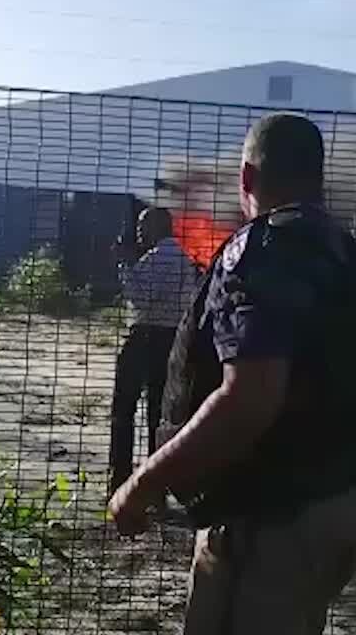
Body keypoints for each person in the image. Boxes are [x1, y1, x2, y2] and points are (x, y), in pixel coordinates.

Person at [107, 113, 356, 635]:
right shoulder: (353, 260)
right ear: (318, 176)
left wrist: (142, 483)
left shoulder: (258, 254)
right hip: (334, 505)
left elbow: (250, 398)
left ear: (247, 178)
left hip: (269, 525)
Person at [108, 205, 201, 497]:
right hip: (172, 341)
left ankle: (120, 479)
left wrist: (125, 266)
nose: (138, 231)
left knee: (123, 409)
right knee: (157, 415)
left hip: (146, 337)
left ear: (158, 227)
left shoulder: (160, 258)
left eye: (142, 225)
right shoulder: (183, 258)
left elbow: (142, 299)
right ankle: (155, 487)